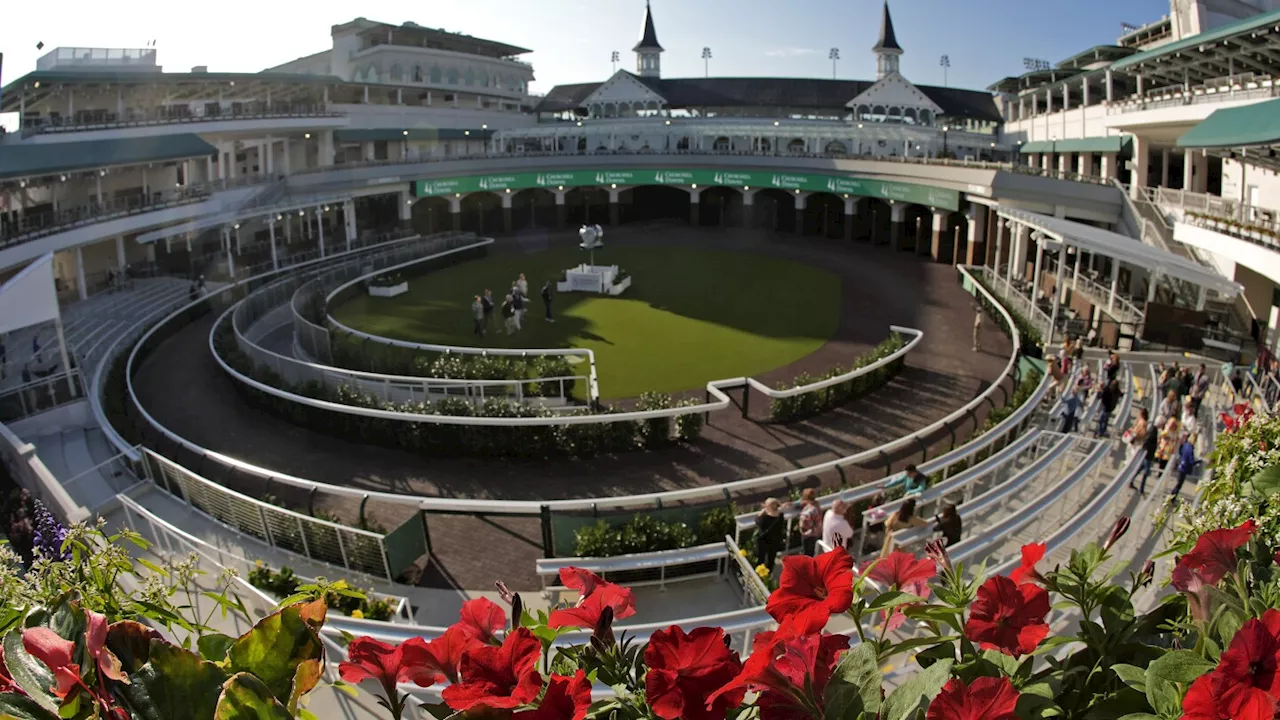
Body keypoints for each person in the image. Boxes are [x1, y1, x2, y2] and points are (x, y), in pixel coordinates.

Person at [755, 498, 787, 575]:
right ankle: (768, 575)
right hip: (775, 542)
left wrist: (761, 513)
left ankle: (759, 575)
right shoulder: (780, 516)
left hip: (764, 541)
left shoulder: (764, 518)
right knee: (771, 560)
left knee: (761, 559)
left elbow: (757, 521)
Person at [1132, 418, 1160, 494]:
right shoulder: (1153, 434)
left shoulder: (1152, 433)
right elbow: (1148, 443)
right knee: (1145, 472)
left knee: (1141, 469)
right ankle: (1141, 488)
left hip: (1148, 455)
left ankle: (1132, 481)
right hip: (1148, 456)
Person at [1171, 432, 1200, 497]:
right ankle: (1172, 497)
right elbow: (1191, 461)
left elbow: (1181, 452)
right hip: (1185, 468)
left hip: (1181, 465)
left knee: (1178, 484)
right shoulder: (1190, 448)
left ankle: (1172, 496)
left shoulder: (1186, 445)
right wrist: (1199, 461)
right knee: (1179, 485)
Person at [797, 488, 823, 556]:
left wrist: (800, 526)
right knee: (812, 552)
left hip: (809, 535)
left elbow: (804, 526)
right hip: (816, 532)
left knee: (808, 554)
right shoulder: (817, 504)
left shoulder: (808, 512)